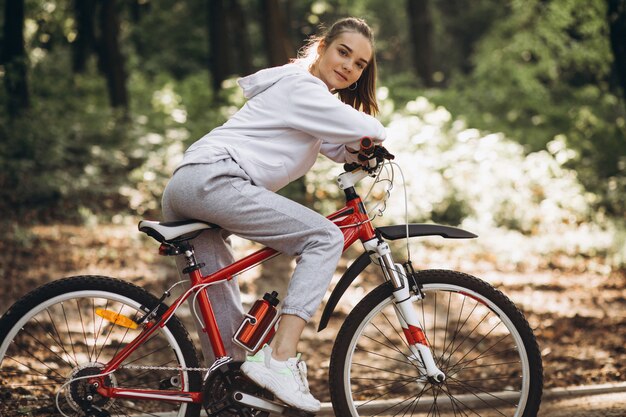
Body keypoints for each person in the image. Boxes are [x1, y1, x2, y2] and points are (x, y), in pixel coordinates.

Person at [161, 17, 386, 413]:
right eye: (343, 52)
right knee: (324, 237)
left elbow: (343, 144)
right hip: (213, 178)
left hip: (193, 184)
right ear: (322, 48)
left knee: (231, 355)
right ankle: (280, 360)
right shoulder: (302, 88)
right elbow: (365, 126)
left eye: (360, 64)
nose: (350, 66)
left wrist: (361, 152)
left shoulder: (311, 102)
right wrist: (374, 134)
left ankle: (226, 396)